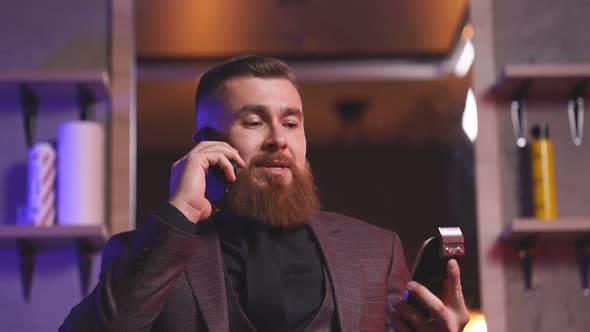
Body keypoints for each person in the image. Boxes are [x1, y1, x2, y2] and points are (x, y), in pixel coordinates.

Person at [60, 55, 469, 331]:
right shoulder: (147, 252)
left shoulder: (377, 251)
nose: (278, 139)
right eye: (254, 122)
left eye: (291, 123)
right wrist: (179, 211)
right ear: (207, 142)